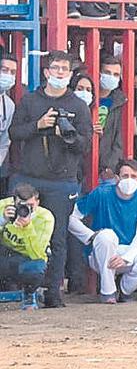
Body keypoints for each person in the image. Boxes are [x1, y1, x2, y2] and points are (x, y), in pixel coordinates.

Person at [7, 50, 93, 308]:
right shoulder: (30, 100)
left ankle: (53, 292)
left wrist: (65, 135)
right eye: (54, 68)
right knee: (16, 229)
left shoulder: (78, 105)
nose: (59, 73)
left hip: (62, 181)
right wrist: (39, 125)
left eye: (64, 69)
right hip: (29, 177)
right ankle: (23, 288)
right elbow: (14, 132)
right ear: (46, 72)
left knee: (57, 237)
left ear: (69, 74)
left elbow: (85, 144)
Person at [67, 161, 137, 303]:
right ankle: (108, 292)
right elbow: (71, 218)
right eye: (125, 176)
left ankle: (124, 290)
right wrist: (90, 236)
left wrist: (127, 257)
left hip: (129, 252)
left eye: (133, 176)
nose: (129, 180)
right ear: (117, 178)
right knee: (107, 236)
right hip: (101, 250)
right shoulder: (102, 193)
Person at [0, 184, 53, 309]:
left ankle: (30, 294)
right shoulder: (3, 206)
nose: (25, 210)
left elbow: (37, 254)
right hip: (4, 253)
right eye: (21, 206)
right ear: (13, 202)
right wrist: (2, 220)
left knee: (37, 266)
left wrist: (27, 228)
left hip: (27, 258)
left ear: (38, 202)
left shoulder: (45, 218)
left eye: (30, 206)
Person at [95, 55, 130, 181]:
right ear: (98, 73)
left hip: (106, 170)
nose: (111, 77)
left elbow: (120, 139)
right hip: (80, 166)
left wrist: (110, 167)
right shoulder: (86, 96)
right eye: (107, 72)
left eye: (116, 74)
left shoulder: (121, 101)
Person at [0, 52, 17, 194]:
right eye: (4, 70)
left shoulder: (9, 105)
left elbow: (4, 142)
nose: (8, 75)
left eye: (13, 72)